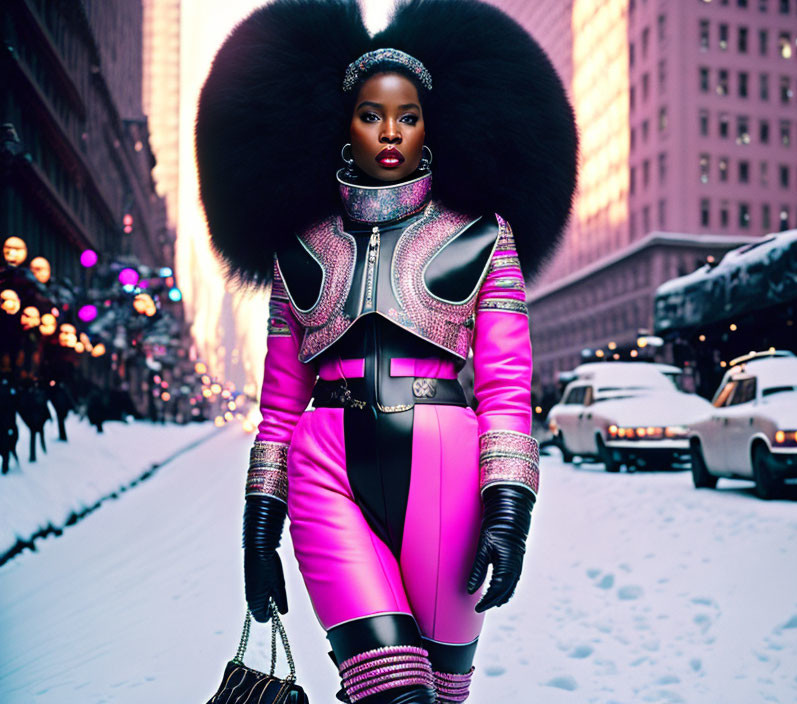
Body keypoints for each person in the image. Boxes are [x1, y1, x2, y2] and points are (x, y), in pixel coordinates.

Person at [196, 1, 577, 702]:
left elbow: (506, 386)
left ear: (433, 124)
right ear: (343, 123)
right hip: (323, 476)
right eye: (372, 113)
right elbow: (279, 406)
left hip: (452, 481)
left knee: (436, 692)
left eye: (408, 115)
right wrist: (259, 527)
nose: (391, 130)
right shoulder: (297, 249)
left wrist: (510, 508)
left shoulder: (486, 238)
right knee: (393, 693)